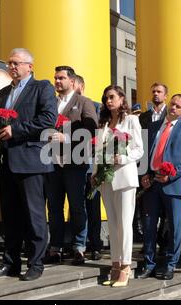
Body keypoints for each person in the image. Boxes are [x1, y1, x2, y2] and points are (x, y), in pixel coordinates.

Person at [0, 48, 57, 281]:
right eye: (9, 63)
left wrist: (14, 130)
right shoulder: (3, 92)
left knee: (34, 215)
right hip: (7, 161)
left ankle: (35, 263)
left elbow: (48, 119)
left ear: (30, 66)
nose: (12, 66)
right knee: (10, 216)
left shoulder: (42, 88)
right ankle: (11, 262)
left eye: (16, 63)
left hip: (31, 162)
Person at [139, 94, 181, 280]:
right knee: (148, 226)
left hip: (173, 184)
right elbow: (144, 154)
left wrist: (172, 173)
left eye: (178, 106)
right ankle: (149, 263)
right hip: (152, 184)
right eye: (172, 104)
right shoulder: (153, 126)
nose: (173, 108)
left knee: (174, 226)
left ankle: (171, 264)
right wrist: (144, 174)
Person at [44, 66, 97, 265]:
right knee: (54, 207)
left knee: (77, 206)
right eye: (55, 78)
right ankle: (55, 247)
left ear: (72, 82)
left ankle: (79, 247)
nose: (57, 81)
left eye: (61, 78)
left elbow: (92, 129)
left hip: (76, 163)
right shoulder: (50, 103)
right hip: (52, 164)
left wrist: (66, 137)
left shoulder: (83, 102)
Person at [93, 85, 143, 287]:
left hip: (124, 176)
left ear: (122, 98)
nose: (108, 101)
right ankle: (115, 264)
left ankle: (125, 267)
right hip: (105, 178)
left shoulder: (131, 120)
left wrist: (122, 157)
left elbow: (139, 149)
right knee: (112, 225)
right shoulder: (103, 123)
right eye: (106, 98)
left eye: (112, 97)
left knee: (124, 224)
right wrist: (95, 172)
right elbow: (99, 150)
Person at [74, 74, 103, 260]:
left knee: (93, 205)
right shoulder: (61, 106)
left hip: (92, 162)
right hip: (72, 163)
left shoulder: (96, 107)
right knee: (78, 204)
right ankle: (79, 243)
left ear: (81, 86)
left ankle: (95, 243)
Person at [139, 83, 170, 250]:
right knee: (148, 211)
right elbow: (140, 144)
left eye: (159, 92)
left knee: (165, 212)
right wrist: (143, 172)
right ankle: (148, 244)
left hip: (165, 171)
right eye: (153, 92)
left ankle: (164, 243)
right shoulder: (143, 117)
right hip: (147, 171)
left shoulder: (171, 116)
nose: (155, 94)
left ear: (165, 96)